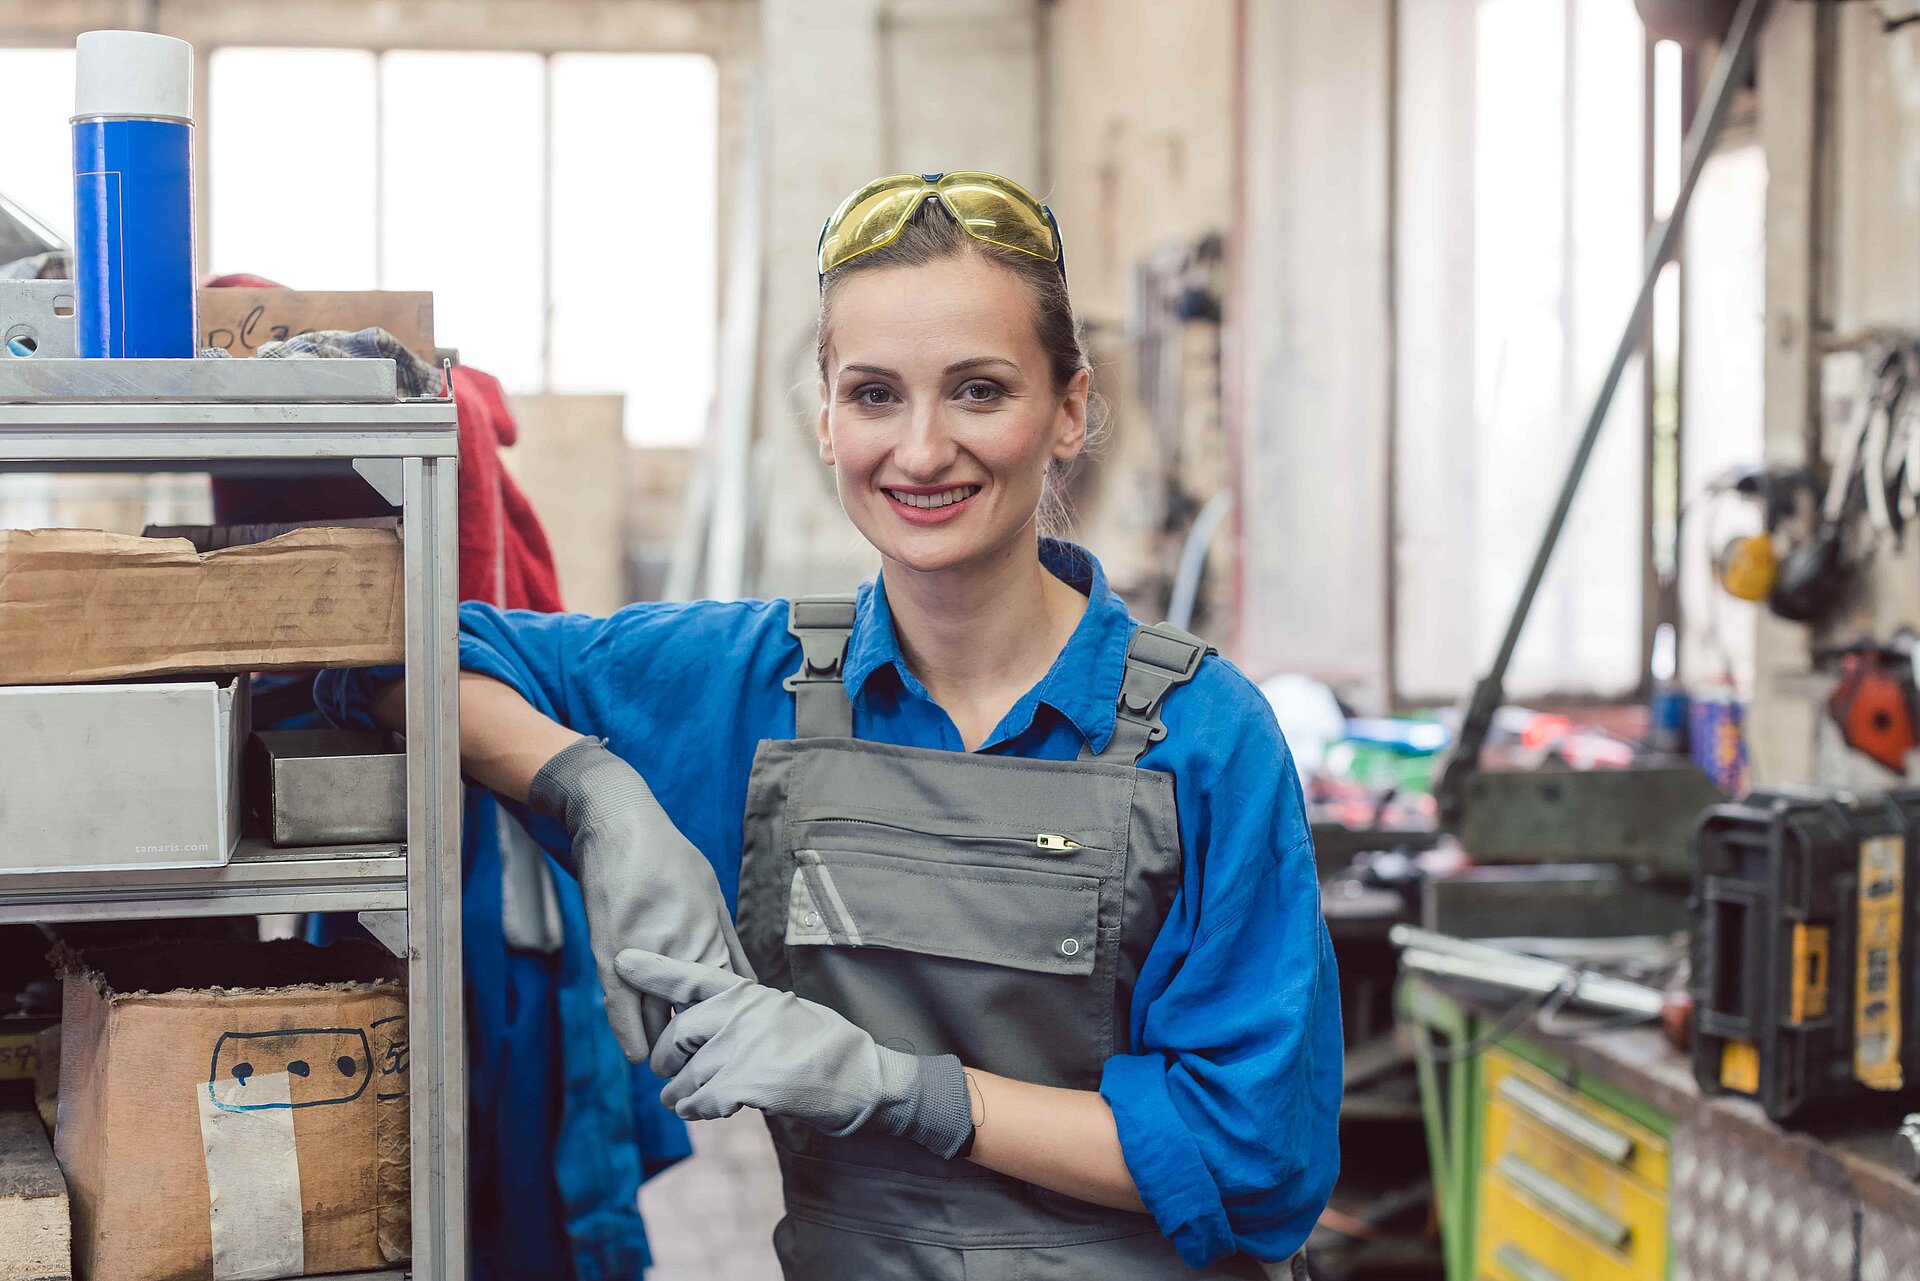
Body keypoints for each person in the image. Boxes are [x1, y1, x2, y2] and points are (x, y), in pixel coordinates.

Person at [323, 171, 1340, 1278]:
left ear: (1071, 410)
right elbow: (359, 647)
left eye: (980, 391)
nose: (920, 449)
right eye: (874, 395)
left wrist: (896, 1088)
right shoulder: (744, 685)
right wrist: (592, 791)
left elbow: (1252, 1159)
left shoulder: (1201, 736)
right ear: (825, 418)